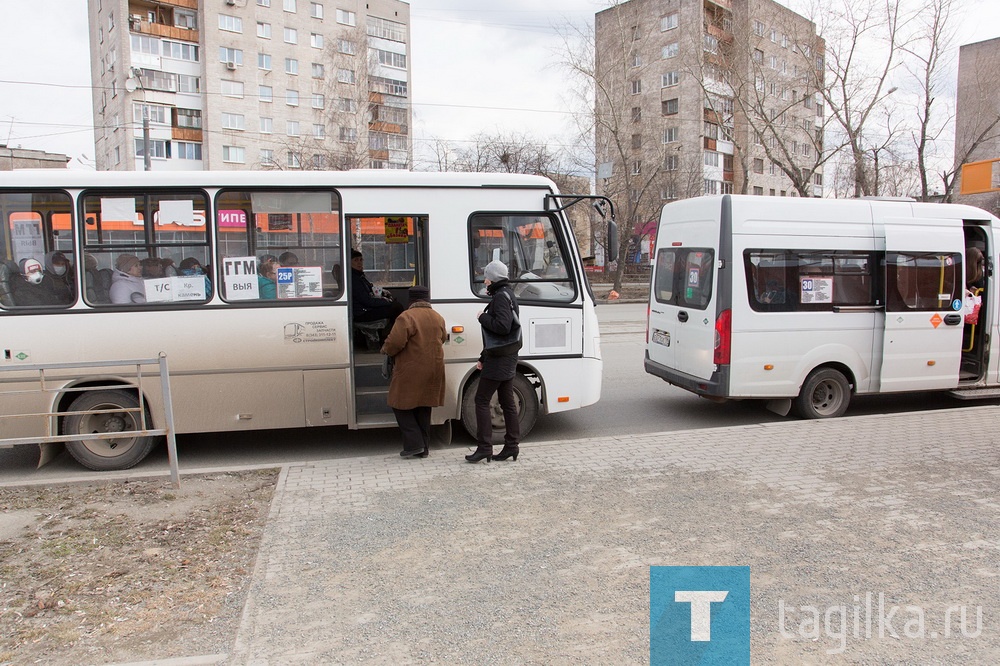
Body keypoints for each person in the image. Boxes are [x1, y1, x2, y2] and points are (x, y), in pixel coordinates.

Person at [380, 285, 448, 458]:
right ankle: (424, 448)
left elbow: (395, 342)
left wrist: (385, 350)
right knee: (423, 407)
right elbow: (443, 338)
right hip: (435, 368)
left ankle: (414, 444)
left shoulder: (407, 317)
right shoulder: (437, 317)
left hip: (412, 368)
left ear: (411, 300)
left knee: (399, 404)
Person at [467, 259, 521, 463]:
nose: (485, 280)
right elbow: (498, 338)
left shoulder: (499, 297)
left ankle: (484, 448)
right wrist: (483, 357)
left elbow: (502, 328)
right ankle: (511, 446)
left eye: (486, 276)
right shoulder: (508, 294)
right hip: (506, 356)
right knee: (507, 402)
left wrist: (482, 317)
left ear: (493, 278)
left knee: (481, 400)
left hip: (499, 360)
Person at [350, 249, 403, 328]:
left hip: (365, 309)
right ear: (349, 263)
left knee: (394, 305)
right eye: (356, 260)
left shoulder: (359, 276)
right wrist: (386, 301)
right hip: (362, 313)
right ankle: (395, 334)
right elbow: (367, 301)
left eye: (361, 260)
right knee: (396, 307)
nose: (359, 262)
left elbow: (371, 288)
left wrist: (383, 293)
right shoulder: (354, 279)